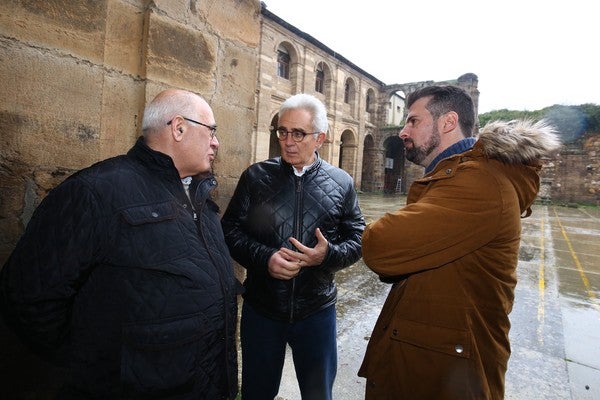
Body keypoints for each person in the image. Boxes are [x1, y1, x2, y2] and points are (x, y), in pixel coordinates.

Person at [0, 89, 240, 399]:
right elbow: (27, 296)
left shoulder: (202, 198)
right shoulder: (95, 191)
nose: (216, 143)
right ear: (178, 128)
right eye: (212, 131)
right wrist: (96, 365)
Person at [358, 85, 561, 399]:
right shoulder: (454, 177)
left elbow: (381, 248)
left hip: (448, 376)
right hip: (435, 366)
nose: (402, 131)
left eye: (413, 121)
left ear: (448, 122)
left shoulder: (480, 183)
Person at [221, 93, 365, 400]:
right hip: (263, 310)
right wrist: (265, 258)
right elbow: (229, 231)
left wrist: (327, 256)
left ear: (320, 138)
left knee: (317, 394)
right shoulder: (256, 177)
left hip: (316, 312)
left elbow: (357, 239)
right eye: (282, 131)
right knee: (257, 393)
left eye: (298, 133)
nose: (288, 141)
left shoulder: (342, 183)